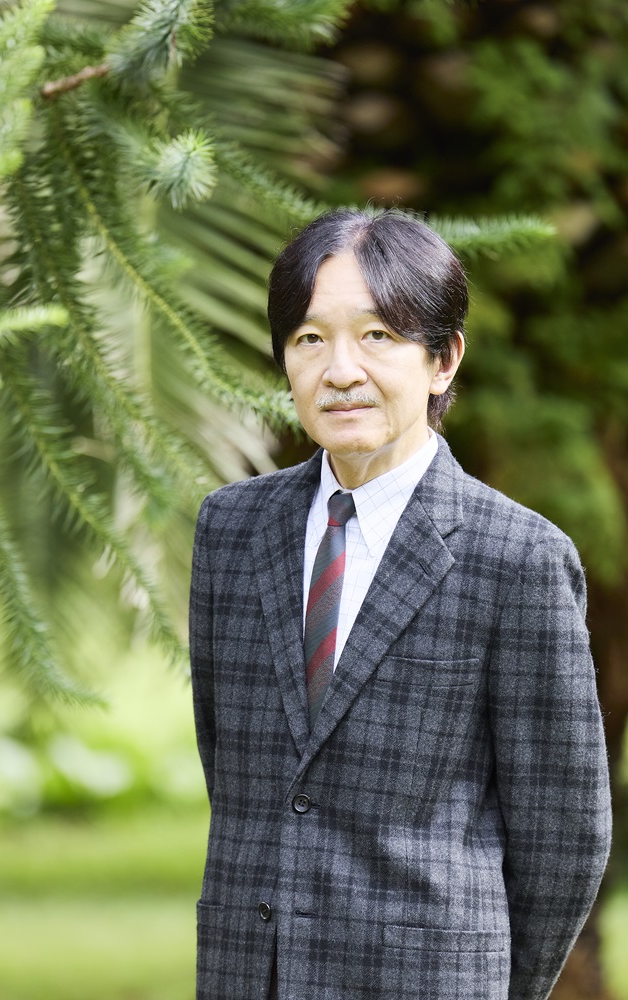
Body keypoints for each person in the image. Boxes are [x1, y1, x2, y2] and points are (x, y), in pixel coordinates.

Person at [189, 208, 612, 1000]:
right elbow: (233, 768)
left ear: (443, 360)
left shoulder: (517, 558)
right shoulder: (231, 529)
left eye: (377, 336)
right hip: (249, 973)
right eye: (309, 339)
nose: (339, 370)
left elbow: (564, 832)